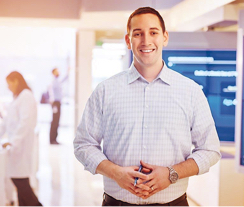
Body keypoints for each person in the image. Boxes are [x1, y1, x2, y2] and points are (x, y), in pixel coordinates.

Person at [74, 7, 221, 206]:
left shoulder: (191, 91)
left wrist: (171, 174)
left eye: (153, 32)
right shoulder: (105, 91)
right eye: (138, 34)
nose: (146, 40)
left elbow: (210, 150)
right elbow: (83, 145)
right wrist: (116, 173)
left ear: (164, 37)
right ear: (128, 41)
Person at [0, 71, 42, 206]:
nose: (8, 87)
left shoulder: (26, 96)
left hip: (21, 146)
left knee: (21, 183)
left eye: (9, 83)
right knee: (20, 183)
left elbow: (26, 122)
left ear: (16, 81)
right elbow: (7, 122)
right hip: (15, 147)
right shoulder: (17, 97)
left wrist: (12, 141)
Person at [49, 67, 69, 145]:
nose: (58, 73)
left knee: (57, 121)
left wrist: (68, 72)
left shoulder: (57, 81)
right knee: (55, 121)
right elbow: (51, 93)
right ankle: (52, 139)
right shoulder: (54, 82)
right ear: (53, 73)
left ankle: (54, 139)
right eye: (57, 72)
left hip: (58, 103)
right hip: (55, 103)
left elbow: (63, 80)